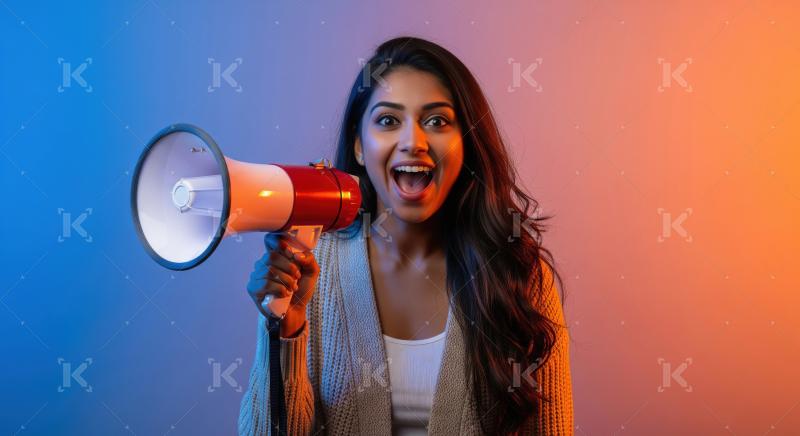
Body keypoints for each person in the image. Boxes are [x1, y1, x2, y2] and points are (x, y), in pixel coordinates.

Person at [239, 36, 573, 435]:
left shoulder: (519, 272)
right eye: (387, 120)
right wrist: (286, 327)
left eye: (437, 121)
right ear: (360, 145)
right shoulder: (313, 268)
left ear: (464, 143)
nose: (413, 142)